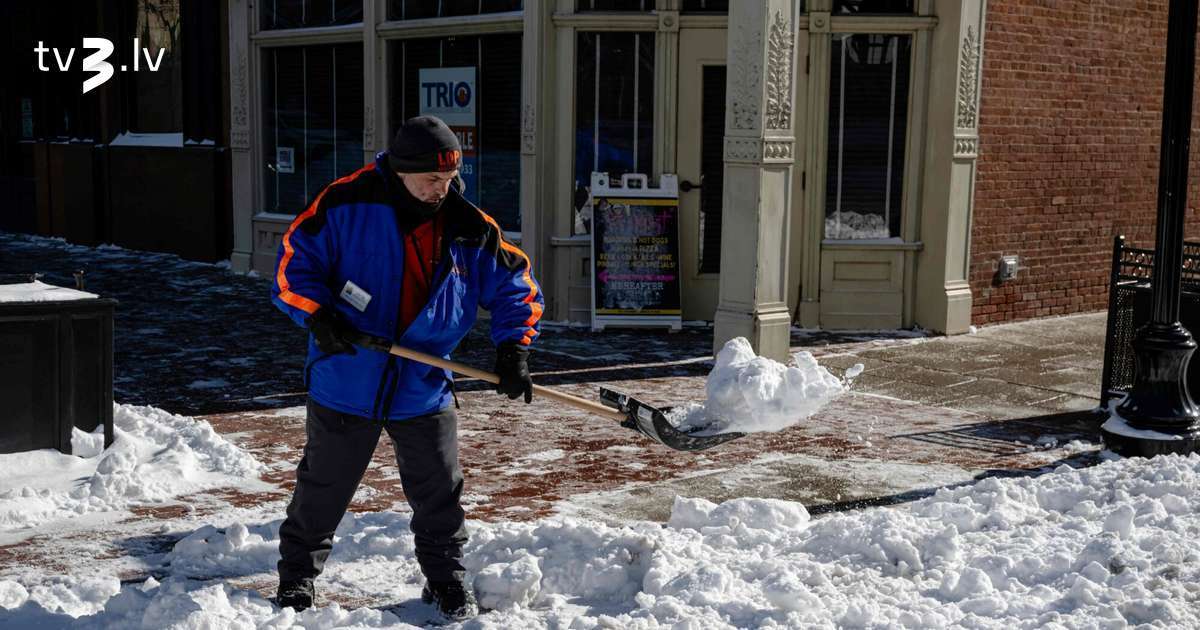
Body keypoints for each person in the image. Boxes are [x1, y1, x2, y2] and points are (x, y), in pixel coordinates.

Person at [270, 115, 543, 621]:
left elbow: (515, 286)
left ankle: (445, 581)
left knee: (439, 491)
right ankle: (297, 581)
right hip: (349, 374)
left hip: (424, 381)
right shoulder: (346, 203)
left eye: (449, 178)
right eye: (431, 180)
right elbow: (292, 266)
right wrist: (318, 315)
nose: (443, 189)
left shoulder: (468, 225)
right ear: (401, 170)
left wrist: (514, 350)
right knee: (323, 487)